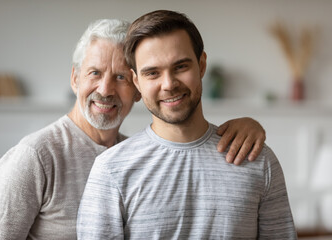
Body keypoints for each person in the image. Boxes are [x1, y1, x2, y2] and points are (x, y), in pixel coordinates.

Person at [0, 19, 266, 240]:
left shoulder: (130, 157)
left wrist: (251, 124)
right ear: (75, 79)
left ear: (138, 87)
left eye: (119, 77)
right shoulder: (36, 156)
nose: (105, 90)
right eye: (94, 73)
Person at [77, 11, 297, 239]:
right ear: (137, 82)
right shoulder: (110, 170)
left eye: (180, 67)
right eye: (152, 73)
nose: (169, 84)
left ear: (201, 65)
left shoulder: (258, 160)